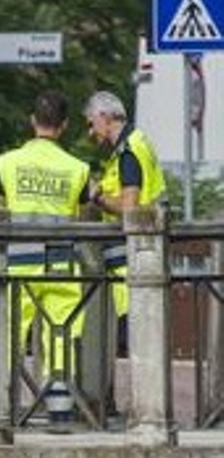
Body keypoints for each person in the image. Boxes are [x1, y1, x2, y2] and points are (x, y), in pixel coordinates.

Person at [0, 90, 91, 420]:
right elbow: (80, 213)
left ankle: (1, 406)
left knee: (9, 334)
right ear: (64, 125)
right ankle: (59, 411)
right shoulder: (78, 168)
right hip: (62, 264)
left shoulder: (7, 163)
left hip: (19, 262)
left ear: (32, 121)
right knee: (61, 332)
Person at [83, 89, 167, 325]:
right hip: (139, 260)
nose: (90, 132)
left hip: (131, 264)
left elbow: (130, 208)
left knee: (134, 333)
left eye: (92, 124)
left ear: (105, 118)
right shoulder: (134, 143)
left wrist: (99, 198)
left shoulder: (128, 152)